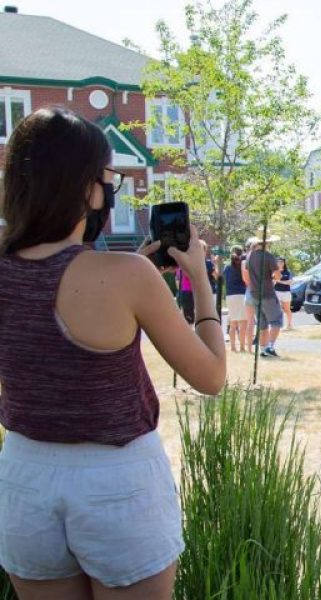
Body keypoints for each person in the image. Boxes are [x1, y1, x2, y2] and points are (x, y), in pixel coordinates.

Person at [0, 107, 226, 599]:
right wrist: (201, 285)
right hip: (116, 480)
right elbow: (210, 377)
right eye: (108, 179)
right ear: (86, 186)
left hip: (24, 476)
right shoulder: (127, 275)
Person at [243, 237, 283, 357]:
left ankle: (263, 349)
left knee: (262, 323)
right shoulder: (268, 256)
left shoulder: (249, 256)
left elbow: (248, 274)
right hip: (267, 293)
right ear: (266, 243)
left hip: (254, 293)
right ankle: (270, 347)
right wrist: (274, 274)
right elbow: (278, 277)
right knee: (276, 320)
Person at [223, 246, 248, 352]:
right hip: (242, 294)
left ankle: (233, 347)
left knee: (233, 322)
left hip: (230, 295)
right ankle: (242, 347)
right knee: (243, 322)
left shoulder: (227, 267)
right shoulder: (243, 266)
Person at [274, 257, 294, 331]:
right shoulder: (274, 272)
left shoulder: (288, 272)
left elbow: (290, 282)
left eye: (282, 262)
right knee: (277, 309)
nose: (280, 263)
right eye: (279, 262)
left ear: (284, 263)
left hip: (286, 292)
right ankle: (278, 325)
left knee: (287, 309)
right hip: (277, 292)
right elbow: (272, 282)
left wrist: (279, 281)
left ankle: (289, 325)